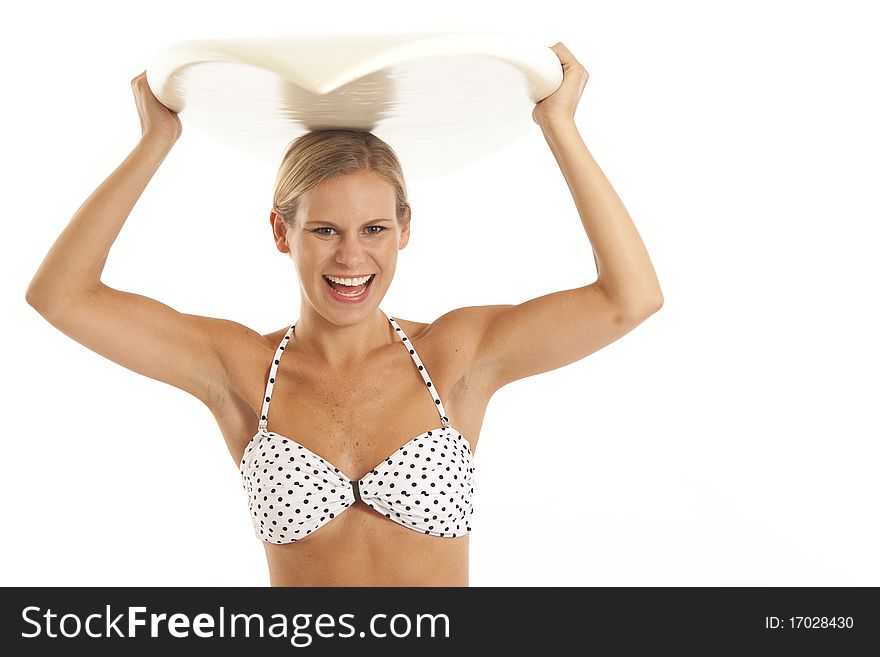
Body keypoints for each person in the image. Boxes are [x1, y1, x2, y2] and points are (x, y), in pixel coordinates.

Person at [25, 43, 663, 586]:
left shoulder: (457, 355)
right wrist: (156, 142)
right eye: (325, 229)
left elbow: (629, 298)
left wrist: (560, 126)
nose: (352, 257)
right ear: (282, 231)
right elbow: (61, 296)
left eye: (375, 228)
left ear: (404, 230)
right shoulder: (239, 368)